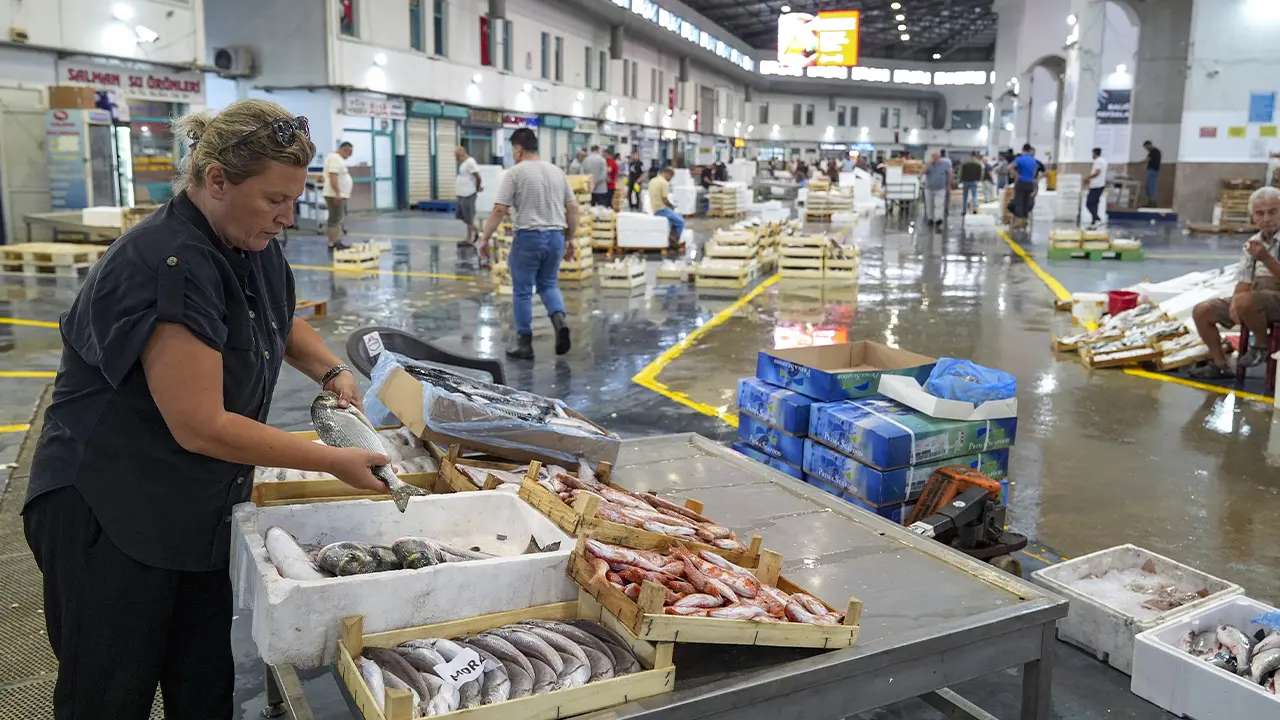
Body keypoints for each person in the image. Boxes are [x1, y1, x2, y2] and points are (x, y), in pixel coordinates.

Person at [21, 99, 387, 720]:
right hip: (109, 510)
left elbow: (272, 318)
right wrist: (330, 459)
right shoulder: (168, 262)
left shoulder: (249, 241)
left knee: (203, 681)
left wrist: (331, 368)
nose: (286, 216)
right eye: (274, 199)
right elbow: (200, 425)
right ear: (216, 179)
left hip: (191, 503)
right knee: (110, 692)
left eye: (294, 200)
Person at [479, 128, 578, 360]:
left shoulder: (514, 173)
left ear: (518, 149)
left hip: (528, 237)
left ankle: (525, 343)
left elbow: (499, 209)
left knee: (522, 291)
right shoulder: (557, 172)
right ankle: (559, 320)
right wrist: (570, 237)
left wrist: (484, 238)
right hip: (555, 237)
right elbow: (573, 207)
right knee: (549, 284)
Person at [1189, 187, 1280, 379]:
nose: (1266, 218)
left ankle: (1262, 346)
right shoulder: (1253, 243)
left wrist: (1266, 258)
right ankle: (1220, 363)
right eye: (1260, 213)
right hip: (1257, 297)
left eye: (1273, 212)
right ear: (1253, 218)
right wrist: (1234, 304)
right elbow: (1244, 280)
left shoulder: (1261, 249)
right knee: (1202, 311)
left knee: (1246, 301)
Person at [322, 141, 353, 251]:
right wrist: (338, 193)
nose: (350, 156)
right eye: (350, 153)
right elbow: (333, 177)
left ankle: (335, 241)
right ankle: (333, 243)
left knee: (337, 219)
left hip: (336, 194)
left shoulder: (336, 158)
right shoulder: (335, 158)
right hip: (334, 194)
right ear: (345, 149)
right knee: (334, 219)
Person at [649, 165, 684, 248]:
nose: (670, 179)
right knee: (681, 222)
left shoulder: (653, 180)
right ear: (667, 174)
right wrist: (672, 206)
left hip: (654, 207)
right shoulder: (664, 183)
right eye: (671, 177)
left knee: (679, 216)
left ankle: (671, 237)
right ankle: (674, 241)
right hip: (661, 209)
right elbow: (664, 199)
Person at [454, 145, 482, 244]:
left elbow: (478, 177)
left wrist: (477, 188)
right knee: (460, 215)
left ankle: (469, 238)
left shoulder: (470, 162)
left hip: (469, 193)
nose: (455, 158)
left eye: (456, 156)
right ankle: (476, 230)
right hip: (461, 193)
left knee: (468, 216)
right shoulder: (463, 164)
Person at [1007, 144, 1040, 228]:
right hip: (1030, 184)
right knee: (1027, 202)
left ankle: (1019, 222)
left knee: (1019, 201)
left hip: (1021, 182)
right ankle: (1025, 221)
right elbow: (1034, 174)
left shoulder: (1020, 159)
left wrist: (1016, 175)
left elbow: (1009, 167)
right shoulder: (1034, 161)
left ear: (1023, 150)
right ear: (1030, 151)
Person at [923, 150, 952, 230]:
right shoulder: (928, 164)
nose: (934, 159)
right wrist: (929, 163)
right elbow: (923, 172)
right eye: (933, 157)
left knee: (939, 204)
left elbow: (949, 173)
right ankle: (930, 219)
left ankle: (938, 219)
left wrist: (949, 185)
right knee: (929, 204)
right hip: (929, 188)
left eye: (935, 157)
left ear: (939, 157)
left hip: (941, 188)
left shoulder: (945, 164)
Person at [1086, 147, 1108, 227]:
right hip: (1101, 184)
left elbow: (1097, 172)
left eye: (1092, 154)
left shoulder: (1098, 161)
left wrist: (1088, 177)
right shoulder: (1104, 161)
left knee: (1089, 203)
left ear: (1095, 153)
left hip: (1096, 185)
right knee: (1095, 203)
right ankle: (1094, 220)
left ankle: (1097, 218)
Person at [1143, 140, 1162, 207]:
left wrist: (1138, 163)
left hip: (1153, 171)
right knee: (1149, 186)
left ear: (1149, 145)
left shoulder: (1154, 152)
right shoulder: (1155, 151)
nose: (1146, 149)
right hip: (1153, 170)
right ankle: (1150, 202)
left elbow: (1147, 160)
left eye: (1146, 147)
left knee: (1151, 186)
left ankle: (1152, 203)